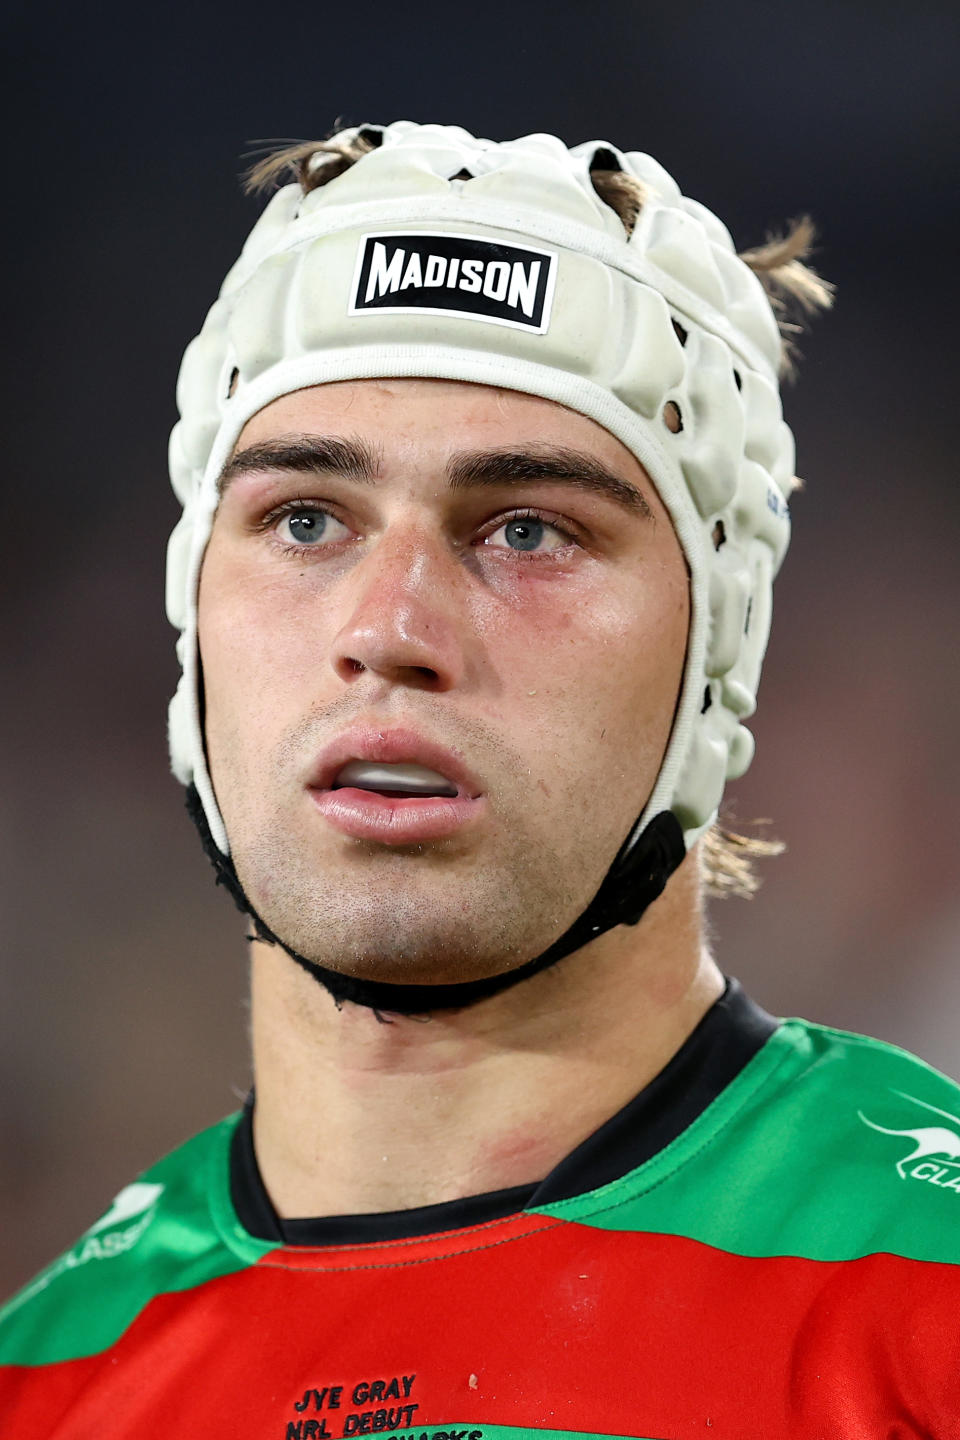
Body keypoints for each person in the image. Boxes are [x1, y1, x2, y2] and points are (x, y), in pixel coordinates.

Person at [1, 120, 957, 1438]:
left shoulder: (927, 1305)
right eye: (305, 519)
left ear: (718, 639)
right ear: (191, 613)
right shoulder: (42, 1382)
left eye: (527, 529)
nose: (388, 629)